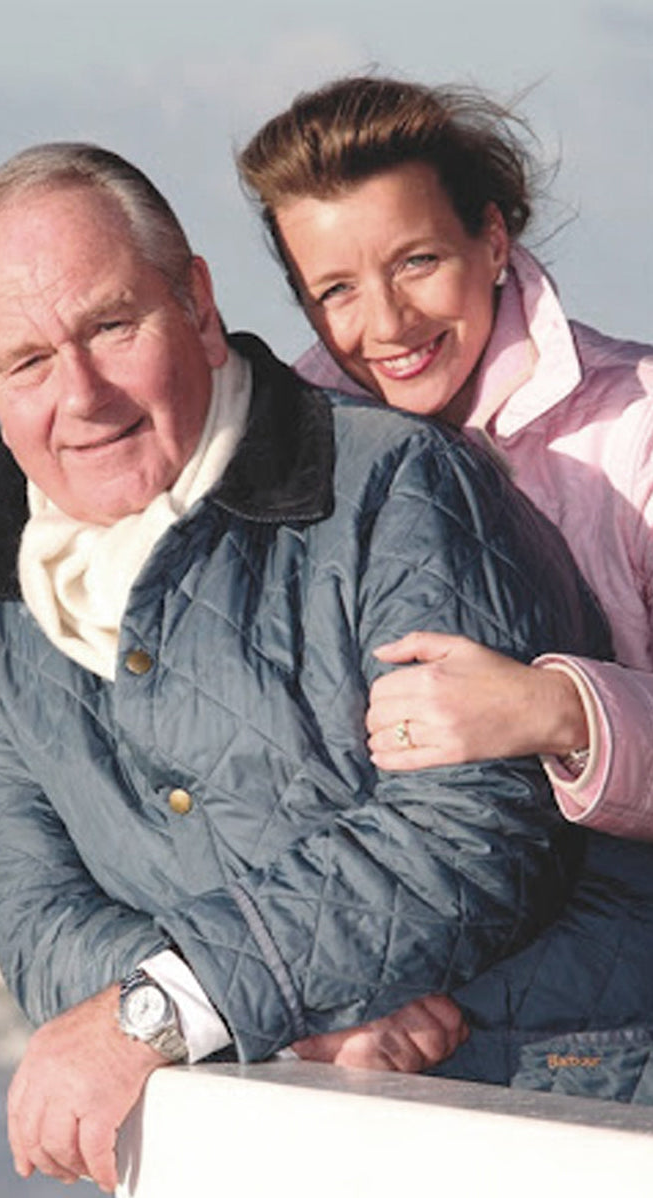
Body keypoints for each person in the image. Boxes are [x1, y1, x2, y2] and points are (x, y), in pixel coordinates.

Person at [0, 139, 619, 1192]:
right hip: (247, 1136)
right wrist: (253, 1017)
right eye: (26, 362)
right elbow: (30, 910)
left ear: (197, 306)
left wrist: (171, 1008)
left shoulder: (397, 484)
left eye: (111, 326)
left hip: (545, 1112)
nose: (83, 393)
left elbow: (475, 833)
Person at [237, 74, 653, 841]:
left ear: (492, 241)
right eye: (337, 290)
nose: (388, 323)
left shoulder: (638, 427)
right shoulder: (278, 457)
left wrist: (562, 711)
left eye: (417, 261)